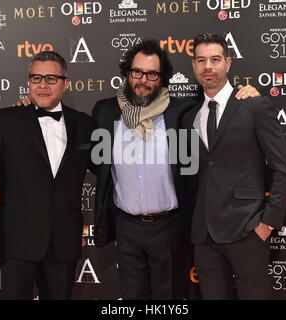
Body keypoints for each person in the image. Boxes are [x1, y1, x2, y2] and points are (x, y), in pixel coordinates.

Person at [91, 39, 260, 299]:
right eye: (137, 72)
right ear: (127, 73)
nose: (143, 80)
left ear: (162, 78)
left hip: (169, 227)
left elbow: (220, 103)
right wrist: (29, 107)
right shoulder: (104, 112)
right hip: (126, 226)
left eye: (152, 74)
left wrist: (246, 94)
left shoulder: (183, 111)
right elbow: (93, 159)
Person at [0, 51, 95, 299]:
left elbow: (105, 168)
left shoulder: (84, 124)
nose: (42, 85)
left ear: (64, 83)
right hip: (15, 244)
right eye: (36, 78)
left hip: (63, 245)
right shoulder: (5, 119)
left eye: (51, 78)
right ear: (28, 82)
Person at [182, 33, 286, 300]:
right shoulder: (190, 115)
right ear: (194, 66)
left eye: (215, 59)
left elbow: (282, 168)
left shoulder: (254, 106)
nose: (208, 66)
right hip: (203, 233)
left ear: (228, 63)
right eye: (201, 60)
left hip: (246, 228)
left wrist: (267, 223)